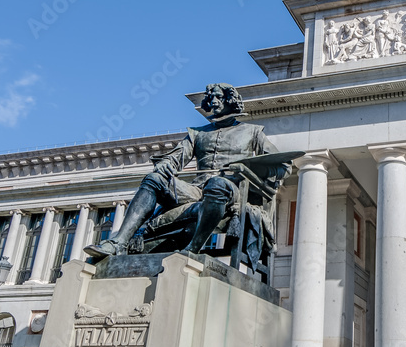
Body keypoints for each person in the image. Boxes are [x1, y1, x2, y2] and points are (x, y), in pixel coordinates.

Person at [84, 83, 282, 260]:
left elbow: (281, 165)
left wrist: (252, 171)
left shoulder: (253, 132)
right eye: (210, 97)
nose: (213, 101)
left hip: (234, 190)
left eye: (218, 97)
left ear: (230, 100)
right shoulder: (197, 133)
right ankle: (118, 242)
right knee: (153, 179)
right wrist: (164, 166)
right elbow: (175, 157)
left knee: (217, 184)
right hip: (196, 190)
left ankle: (192, 249)